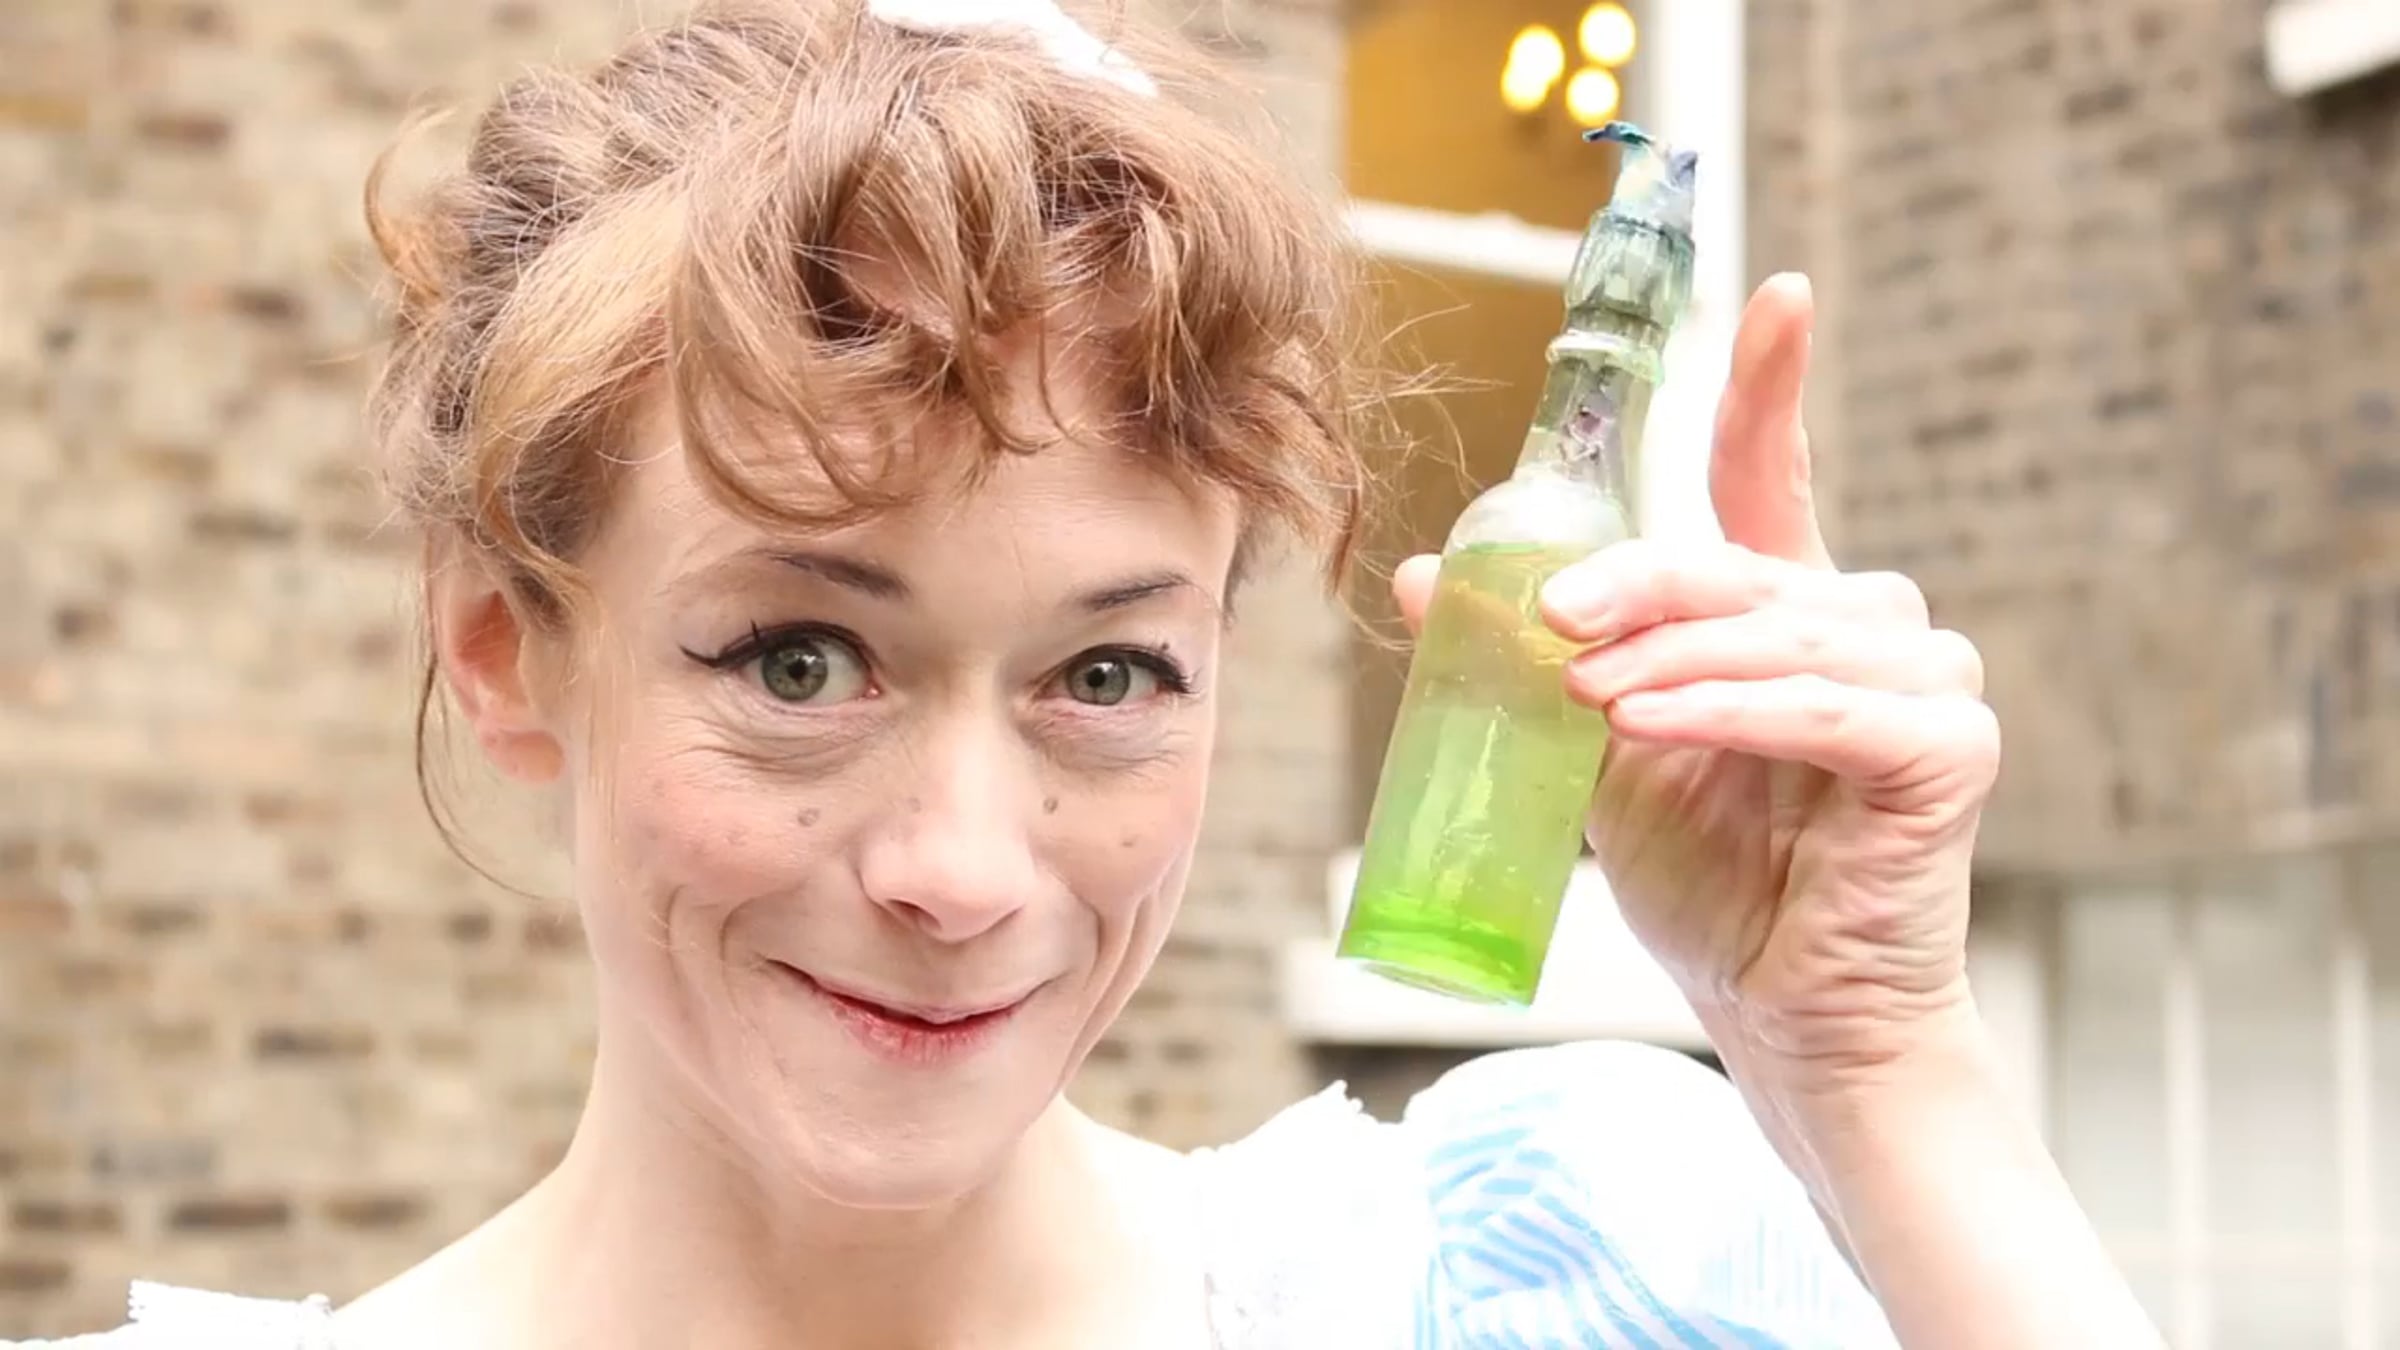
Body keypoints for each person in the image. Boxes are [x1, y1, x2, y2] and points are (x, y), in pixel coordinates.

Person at [16, 1, 2165, 1346]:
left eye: (1109, 676)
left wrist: (1877, 1070)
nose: (962, 872)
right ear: (507, 649)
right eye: (800, 658)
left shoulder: (1554, 1278)